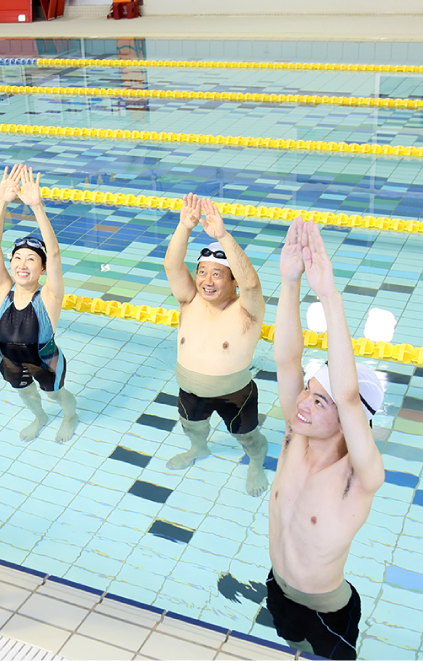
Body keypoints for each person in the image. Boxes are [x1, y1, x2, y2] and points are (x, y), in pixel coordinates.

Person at [267, 218, 386, 660]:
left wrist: (329, 296)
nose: (302, 403)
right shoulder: (294, 437)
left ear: (348, 422)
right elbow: (287, 360)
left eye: (320, 401)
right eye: (308, 392)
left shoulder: (360, 476)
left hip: (328, 614)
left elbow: (350, 398)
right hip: (278, 587)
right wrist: (290, 282)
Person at [163, 193, 268, 496]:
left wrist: (222, 235)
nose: (207, 281)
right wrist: (184, 226)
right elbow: (171, 265)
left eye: (218, 274)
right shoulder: (190, 300)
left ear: (233, 281)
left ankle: (256, 463)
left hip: (234, 395)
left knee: (247, 438)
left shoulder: (246, 311)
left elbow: (252, 284)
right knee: (191, 426)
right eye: (203, 272)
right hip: (189, 391)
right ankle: (199, 448)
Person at [0, 164, 79, 443]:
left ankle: (70, 416)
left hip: (45, 362)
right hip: (9, 360)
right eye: (17, 258)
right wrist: (1, 202)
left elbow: (55, 253)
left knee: (55, 394)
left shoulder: (49, 297)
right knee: (25, 393)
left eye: (31, 259)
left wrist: (37, 207)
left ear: (43, 268)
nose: (22, 264)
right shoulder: (3, 291)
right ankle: (40, 418)